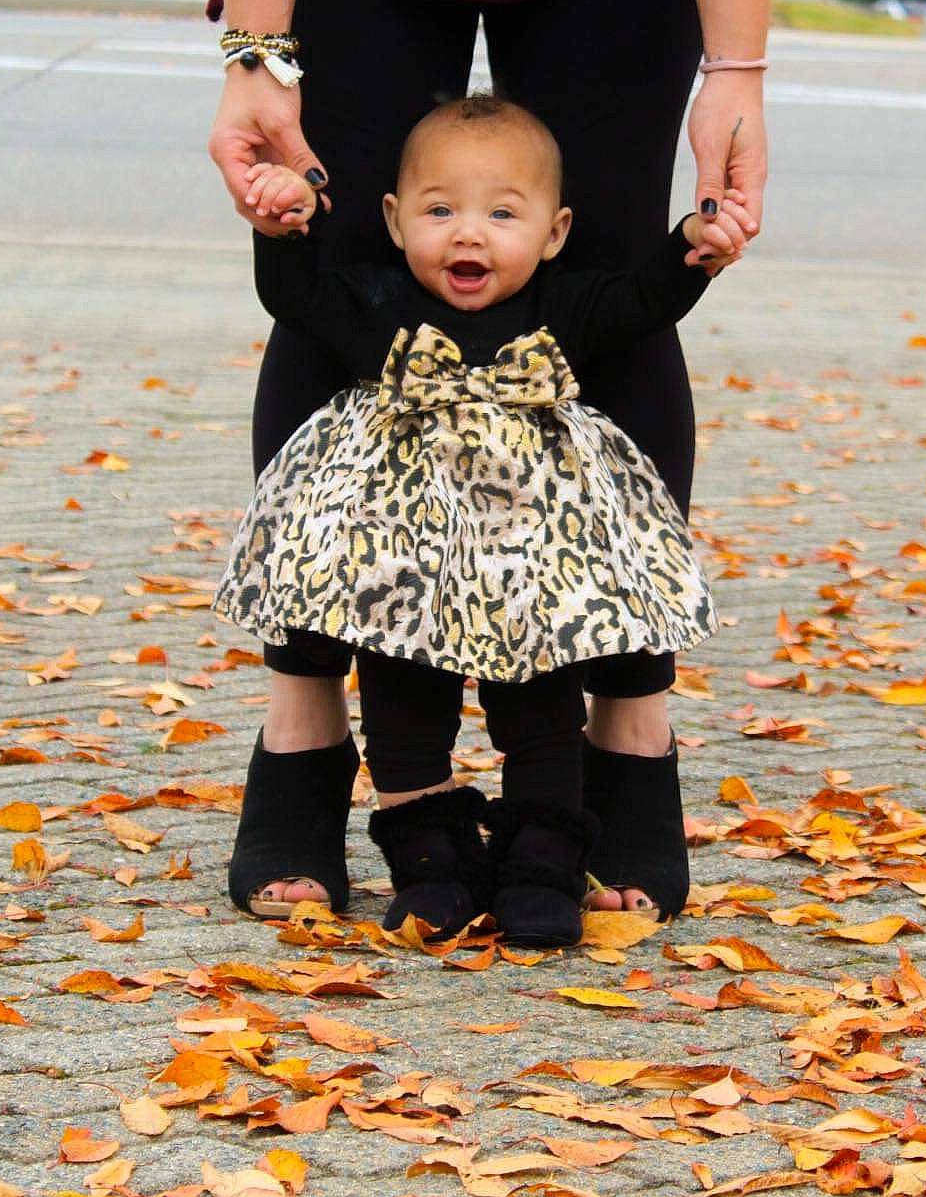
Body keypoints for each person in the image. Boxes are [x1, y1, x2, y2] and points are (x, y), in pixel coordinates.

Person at [185, 0, 781, 923]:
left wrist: (737, 63)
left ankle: (626, 729)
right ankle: (303, 725)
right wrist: (255, 46)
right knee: (335, 272)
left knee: (608, 282)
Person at [212, 95, 753, 947]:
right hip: (402, 580)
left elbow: (645, 305)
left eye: (502, 214)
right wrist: (284, 227)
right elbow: (294, 301)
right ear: (392, 221)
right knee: (402, 706)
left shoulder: (564, 312)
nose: (469, 234)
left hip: (531, 573)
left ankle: (542, 861)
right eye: (439, 211)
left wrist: (694, 250)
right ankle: (431, 865)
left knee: (541, 707)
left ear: (555, 230)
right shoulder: (375, 305)